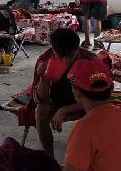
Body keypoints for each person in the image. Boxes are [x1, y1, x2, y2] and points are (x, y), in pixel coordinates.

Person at [33, 28, 96, 156]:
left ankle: (91, 157)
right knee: (40, 111)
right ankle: (49, 159)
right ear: (53, 50)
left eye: (71, 56)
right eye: (60, 56)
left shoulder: (90, 60)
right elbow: (41, 99)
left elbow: (98, 99)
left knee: (98, 114)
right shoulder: (46, 59)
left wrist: (65, 110)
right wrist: (43, 79)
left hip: (85, 100)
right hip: (58, 98)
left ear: (78, 49)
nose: (65, 61)